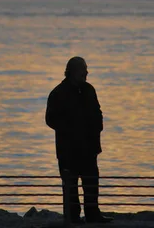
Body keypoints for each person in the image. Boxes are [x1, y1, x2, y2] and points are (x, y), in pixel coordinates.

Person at [45, 57, 112, 224]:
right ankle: (72, 217)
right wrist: (71, 131)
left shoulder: (89, 90)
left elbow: (98, 113)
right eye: (83, 69)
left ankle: (93, 214)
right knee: (70, 186)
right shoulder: (58, 93)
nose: (86, 73)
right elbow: (50, 119)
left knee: (91, 183)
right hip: (69, 150)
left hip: (89, 148)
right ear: (73, 72)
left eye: (86, 69)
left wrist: (97, 127)